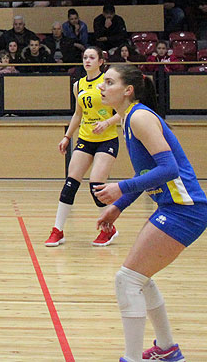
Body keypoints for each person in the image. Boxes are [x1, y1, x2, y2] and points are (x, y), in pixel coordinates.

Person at [93, 64, 207, 362]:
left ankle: (132, 358)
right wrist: (118, 206)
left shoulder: (140, 117)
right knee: (139, 278)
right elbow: (147, 173)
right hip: (176, 208)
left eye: (109, 82)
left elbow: (168, 169)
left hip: (185, 210)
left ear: (128, 90)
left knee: (127, 280)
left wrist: (120, 188)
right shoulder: (129, 118)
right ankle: (167, 349)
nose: (102, 86)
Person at [43, 47, 121, 246]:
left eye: (92, 57)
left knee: (96, 185)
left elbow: (124, 111)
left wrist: (107, 123)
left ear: (100, 62)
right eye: (85, 57)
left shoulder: (108, 82)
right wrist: (67, 137)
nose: (87, 60)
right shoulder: (78, 85)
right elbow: (78, 114)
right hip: (85, 139)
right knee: (70, 184)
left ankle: (108, 229)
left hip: (107, 139)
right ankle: (57, 230)